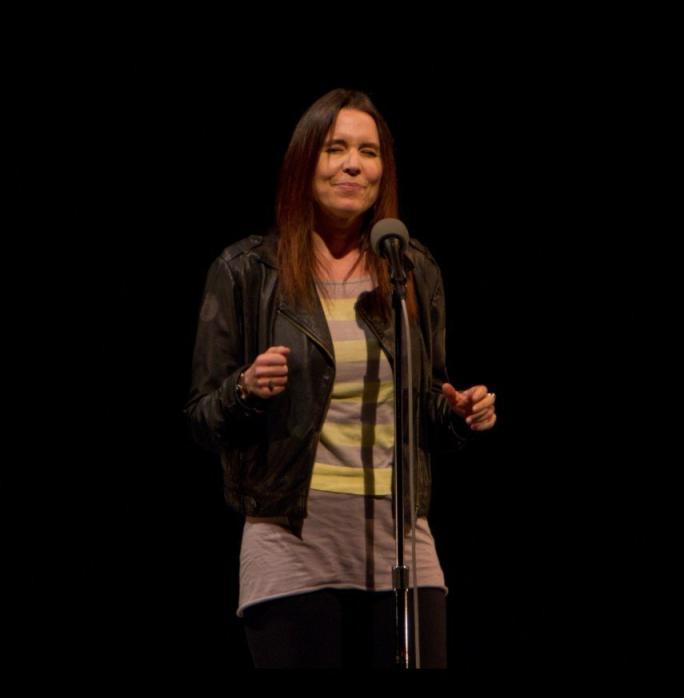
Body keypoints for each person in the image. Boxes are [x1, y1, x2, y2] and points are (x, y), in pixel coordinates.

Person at [184, 88, 496, 669]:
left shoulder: (411, 268)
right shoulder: (247, 271)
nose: (354, 164)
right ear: (306, 163)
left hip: (401, 536)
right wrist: (244, 390)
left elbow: (426, 399)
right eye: (336, 148)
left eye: (369, 151)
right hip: (293, 541)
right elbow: (202, 417)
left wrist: (457, 411)